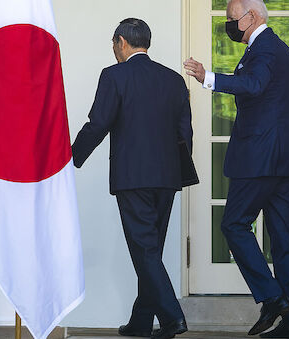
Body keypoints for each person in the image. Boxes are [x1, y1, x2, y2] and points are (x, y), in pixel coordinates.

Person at [183, 0, 289, 338]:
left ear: (251, 17)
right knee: (283, 241)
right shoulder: (276, 48)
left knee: (234, 224)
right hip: (283, 160)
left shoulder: (265, 49)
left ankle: (272, 297)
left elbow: (253, 85)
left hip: (261, 159)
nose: (228, 23)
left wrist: (207, 77)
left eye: (231, 18)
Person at [72, 18, 192, 339]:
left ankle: (172, 318)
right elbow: (185, 132)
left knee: (145, 251)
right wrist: (174, 170)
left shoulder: (114, 76)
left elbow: (98, 123)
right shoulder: (174, 80)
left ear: (122, 42)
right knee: (150, 250)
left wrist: (72, 157)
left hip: (132, 178)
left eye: (113, 44)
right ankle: (141, 321)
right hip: (167, 178)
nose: (113, 50)